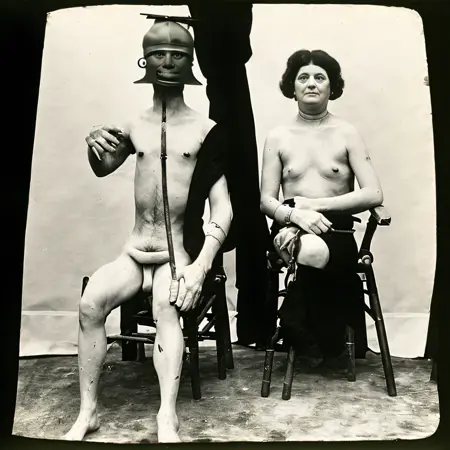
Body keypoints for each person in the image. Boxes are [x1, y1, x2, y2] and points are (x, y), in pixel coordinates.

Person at [64, 18, 233, 443]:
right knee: (90, 304)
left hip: (178, 255)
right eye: (159, 54)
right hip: (135, 252)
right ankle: (88, 413)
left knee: (166, 307)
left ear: (190, 63)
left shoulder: (206, 131)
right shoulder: (134, 124)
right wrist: (93, 143)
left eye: (177, 55)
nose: (167, 63)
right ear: (145, 60)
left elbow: (224, 208)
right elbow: (102, 167)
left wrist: (199, 268)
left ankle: (167, 417)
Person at [260, 49, 383, 361]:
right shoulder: (278, 136)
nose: (311, 83)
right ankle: (322, 337)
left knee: (315, 253)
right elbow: (266, 200)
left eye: (319, 77)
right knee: (310, 250)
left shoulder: (347, 134)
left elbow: (373, 193)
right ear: (292, 87)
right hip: (289, 226)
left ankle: (294, 325)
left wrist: (316, 205)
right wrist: (295, 214)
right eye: (303, 77)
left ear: (332, 87)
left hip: (337, 229)